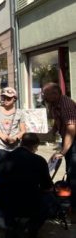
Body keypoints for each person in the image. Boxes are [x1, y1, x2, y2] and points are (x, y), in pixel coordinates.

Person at [0, 133, 54, 237]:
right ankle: (32, 227)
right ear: (35, 146)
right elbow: (48, 187)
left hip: (6, 202)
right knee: (49, 198)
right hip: (29, 205)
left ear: (21, 143)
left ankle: (11, 224)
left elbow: (1, 178)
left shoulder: (4, 157)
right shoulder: (39, 160)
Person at [42, 82, 76, 210]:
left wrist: (64, 150)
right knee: (70, 172)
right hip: (68, 138)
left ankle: (74, 210)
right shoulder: (53, 104)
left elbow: (71, 128)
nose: (44, 97)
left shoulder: (65, 104)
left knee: (73, 175)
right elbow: (58, 120)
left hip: (74, 139)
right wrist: (52, 132)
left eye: (46, 95)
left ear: (55, 94)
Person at [0, 87, 26, 164]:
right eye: (3, 97)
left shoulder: (20, 113)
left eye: (8, 98)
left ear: (14, 99)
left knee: (13, 169)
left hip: (15, 146)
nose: (5, 100)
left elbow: (23, 130)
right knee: (3, 168)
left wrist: (15, 138)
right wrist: (2, 136)